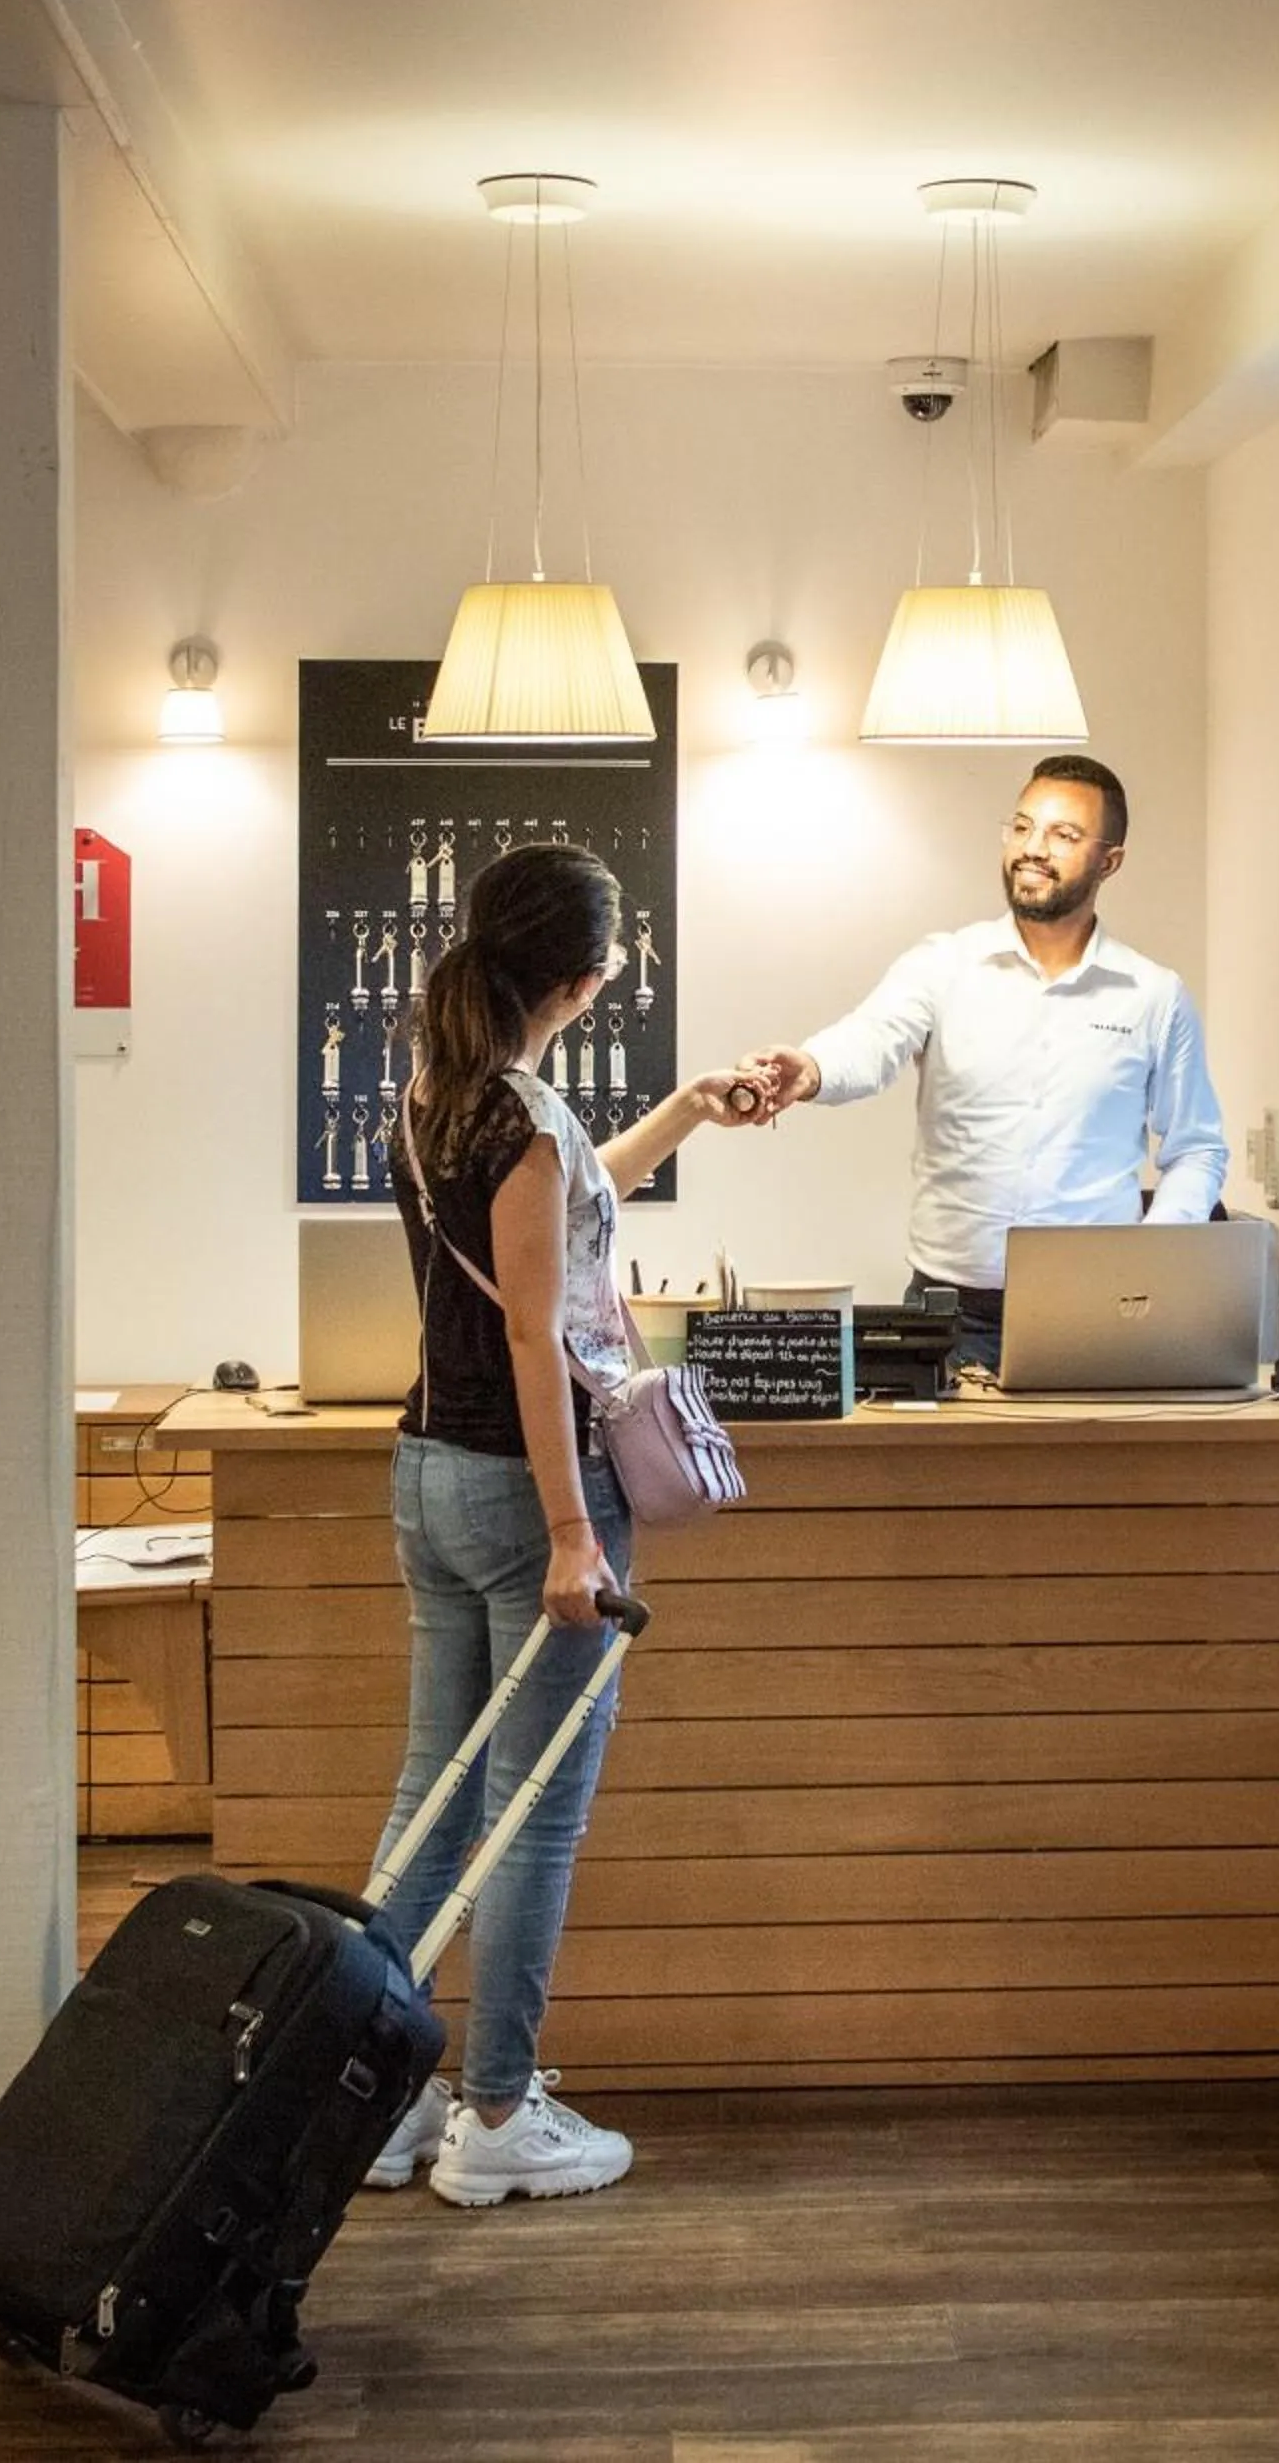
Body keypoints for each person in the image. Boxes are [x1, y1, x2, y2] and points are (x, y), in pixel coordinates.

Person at [361, 841, 763, 2205]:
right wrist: (573, 1536)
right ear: (589, 979)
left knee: (433, 1800)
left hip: (426, 1472)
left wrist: (685, 1114)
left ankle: (373, 2098)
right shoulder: (521, 1117)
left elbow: (567, 1205)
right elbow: (537, 1335)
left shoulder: (435, 1095)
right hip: (529, 1493)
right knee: (534, 1819)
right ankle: (496, 2116)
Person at [743, 756, 1227, 1366]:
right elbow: (872, 1040)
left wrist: (1147, 1264)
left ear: (1110, 861)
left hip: (1097, 1316)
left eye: (1063, 835)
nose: (1033, 848)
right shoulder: (945, 964)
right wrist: (810, 1068)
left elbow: (1198, 1149)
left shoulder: (1154, 995)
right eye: (1022, 827)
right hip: (946, 1318)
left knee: (1089, 1467)